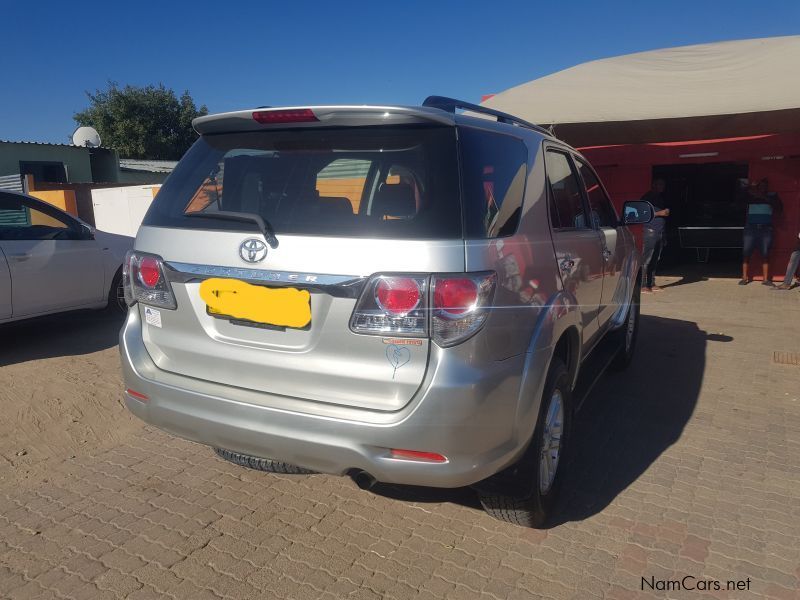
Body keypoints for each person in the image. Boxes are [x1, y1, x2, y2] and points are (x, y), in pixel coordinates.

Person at [739, 178, 783, 286]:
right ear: (757, 187)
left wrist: (764, 197)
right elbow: (739, 199)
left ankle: (766, 280)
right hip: (751, 228)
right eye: (760, 186)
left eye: (765, 186)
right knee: (746, 253)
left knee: (765, 253)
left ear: (767, 188)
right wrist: (750, 187)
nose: (763, 187)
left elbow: (779, 208)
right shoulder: (750, 196)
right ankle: (744, 278)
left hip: (765, 229)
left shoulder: (772, 196)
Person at [640, 178, 671, 293]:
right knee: (646, 259)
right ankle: (642, 284)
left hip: (660, 232)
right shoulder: (647, 197)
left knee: (655, 259)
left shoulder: (661, 198)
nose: (662, 186)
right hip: (650, 232)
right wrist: (660, 213)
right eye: (660, 184)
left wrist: (664, 235)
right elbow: (641, 213)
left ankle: (651, 283)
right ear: (653, 184)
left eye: (663, 184)